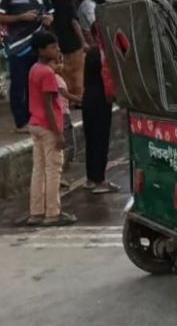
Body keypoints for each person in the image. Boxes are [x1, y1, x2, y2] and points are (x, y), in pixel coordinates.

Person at [25, 31, 75, 226]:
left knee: (38, 169)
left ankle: (36, 212)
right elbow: (49, 106)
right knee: (53, 170)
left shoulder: (34, 69)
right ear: (41, 50)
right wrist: (59, 134)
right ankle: (53, 212)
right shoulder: (47, 73)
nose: (57, 50)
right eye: (53, 47)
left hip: (35, 124)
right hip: (48, 127)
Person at [0, 0, 54, 133]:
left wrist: (48, 19)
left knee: (37, 85)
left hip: (39, 47)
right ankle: (21, 122)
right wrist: (20, 17)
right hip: (18, 47)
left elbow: (51, 14)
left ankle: (36, 118)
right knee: (18, 85)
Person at [82, 38, 120, 194]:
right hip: (101, 100)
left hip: (88, 98)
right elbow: (109, 80)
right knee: (100, 140)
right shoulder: (104, 55)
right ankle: (100, 180)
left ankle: (91, 178)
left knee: (90, 140)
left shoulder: (91, 52)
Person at [52, 0, 88, 101]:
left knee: (64, 72)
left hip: (60, 44)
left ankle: (67, 100)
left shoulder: (55, 3)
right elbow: (74, 22)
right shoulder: (71, 4)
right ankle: (78, 98)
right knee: (77, 73)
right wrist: (83, 41)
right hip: (73, 44)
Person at [52, 54, 80, 187]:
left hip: (64, 113)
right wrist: (80, 99)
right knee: (69, 145)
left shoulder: (58, 78)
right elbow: (65, 95)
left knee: (68, 146)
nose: (60, 64)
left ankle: (59, 174)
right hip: (63, 115)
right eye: (57, 62)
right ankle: (59, 175)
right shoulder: (55, 79)